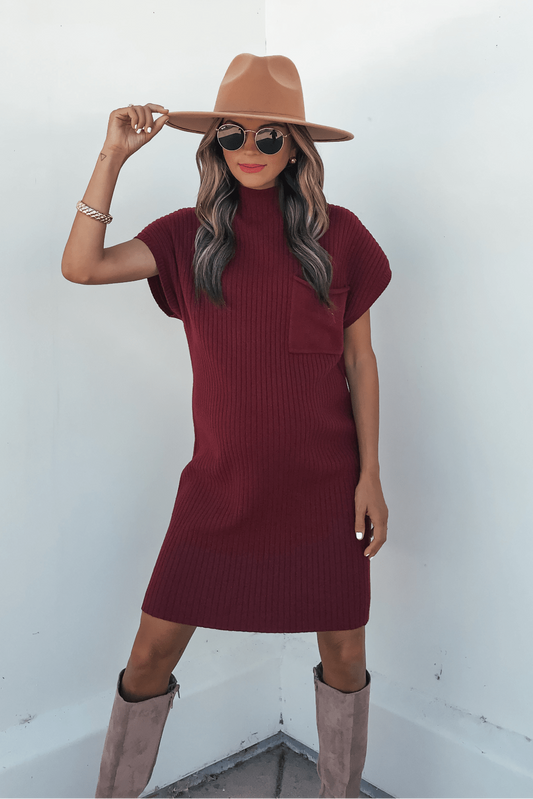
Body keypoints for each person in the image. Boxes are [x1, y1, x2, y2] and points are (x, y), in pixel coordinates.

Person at [62, 53, 391, 799]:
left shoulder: (342, 237)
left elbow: (361, 364)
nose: (246, 149)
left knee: (344, 654)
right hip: (217, 490)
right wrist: (111, 155)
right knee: (148, 657)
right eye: (229, 136)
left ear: (296, 151)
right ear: (210, 148)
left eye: (268, 136)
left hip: (323, 490)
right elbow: (80, 267)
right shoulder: (187, 238)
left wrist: (371, 475)